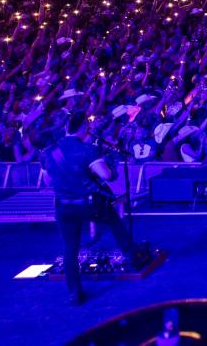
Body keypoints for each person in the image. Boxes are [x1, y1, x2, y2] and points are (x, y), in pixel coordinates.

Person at [42, 111, 144, 305]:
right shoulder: (88, 150)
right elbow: (106, 176)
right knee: (114, 221)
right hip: (88, 204)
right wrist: (111, 165)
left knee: (70, 248)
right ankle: (132, 257)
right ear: (83, 128)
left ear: (66, 128)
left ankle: (75, 293)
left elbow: (48, 181)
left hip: (63, 206)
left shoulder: (48, 152)